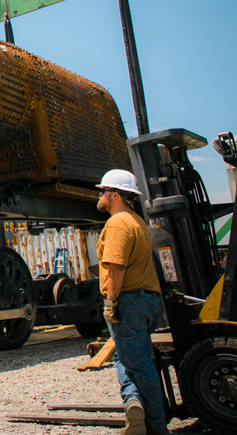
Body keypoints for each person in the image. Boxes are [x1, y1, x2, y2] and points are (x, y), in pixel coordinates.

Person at [96, 169, 168, 435]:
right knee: (125, 356)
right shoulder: (137, 221)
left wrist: (111, 301)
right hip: (148, 301)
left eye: (103, 191)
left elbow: (116, 267)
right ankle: (134, 403)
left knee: (137, 363)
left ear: (115, 195)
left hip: (129, 300)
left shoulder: (117, 223)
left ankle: (156, 423)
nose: (99, 195)